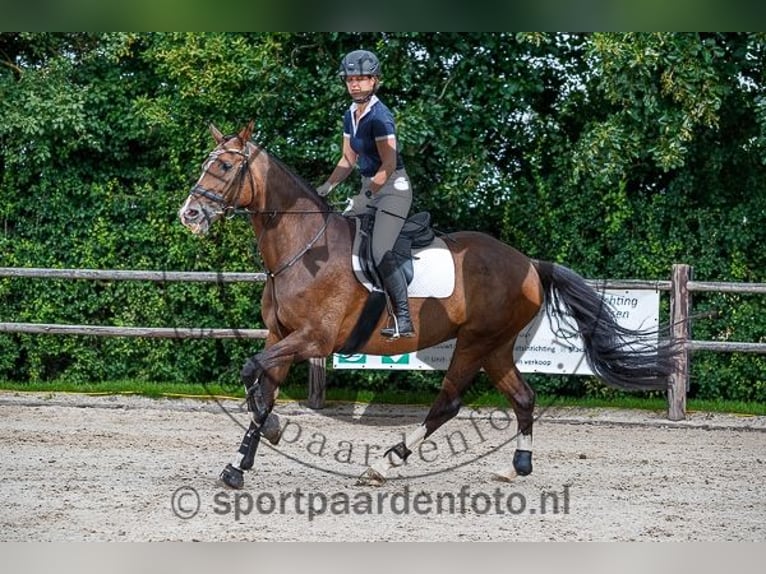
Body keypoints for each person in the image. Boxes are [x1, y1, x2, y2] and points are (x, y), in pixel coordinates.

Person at [316, 49, 415, 338]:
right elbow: (348, 160)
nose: (355, 85)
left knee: (380, 249)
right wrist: (325, 187)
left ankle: (404, 318)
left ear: (375, 81)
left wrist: (366, 196)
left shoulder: (381, 117)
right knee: (337, 239)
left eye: (361, 79)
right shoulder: (350, 114)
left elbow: (388, 164)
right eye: (350, 79)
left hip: (393, 188)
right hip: (369, 187)